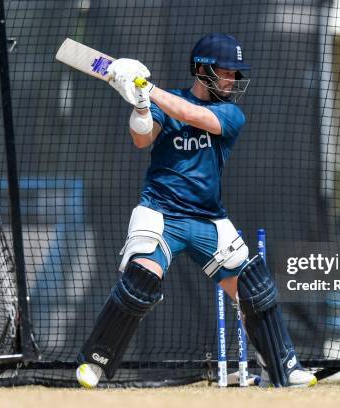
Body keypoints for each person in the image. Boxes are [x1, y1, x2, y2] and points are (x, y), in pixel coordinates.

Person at [75, 33, 317, 388]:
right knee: (140, 281)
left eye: (235, 73)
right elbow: (142, 138)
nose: (232, 80)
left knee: (254, 288)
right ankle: (94, 364)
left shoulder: (230, 113)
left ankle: (283, 367)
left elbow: (194, 115)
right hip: (161, 214)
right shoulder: (165, 101)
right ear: (203, 71)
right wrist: (141, 102)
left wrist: (149, 88)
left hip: (207, 219)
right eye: (226, 72)